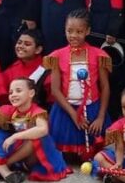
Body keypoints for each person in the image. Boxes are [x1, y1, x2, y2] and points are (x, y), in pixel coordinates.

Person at [45, 9, 112, 161]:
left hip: (92, 110)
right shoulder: (56, 56)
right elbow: (55, 90)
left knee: (92, 155)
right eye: (69, 31)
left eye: (79, 31)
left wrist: (100, 117)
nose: (73, 35)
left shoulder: (98, 55)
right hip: (65, 111)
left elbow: (105, 87)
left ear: (88, 31)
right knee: (65, 157)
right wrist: (74, 114)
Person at [0, 77, 70, 183]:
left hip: (34, 156)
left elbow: (43, 130)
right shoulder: (10, 111)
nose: (13, 95)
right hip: (17, 150)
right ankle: (3, 168)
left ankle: (2, 166)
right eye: (10, 92)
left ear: (31, 93)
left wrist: (16, 136)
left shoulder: (37, 112)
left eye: (18, 91)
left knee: (37, 138)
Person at [3, 28, 49, 96]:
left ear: (38, 49)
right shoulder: (13, 67)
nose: (21, 46)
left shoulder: (48, 65)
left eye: (27, 44)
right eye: (19, 43)